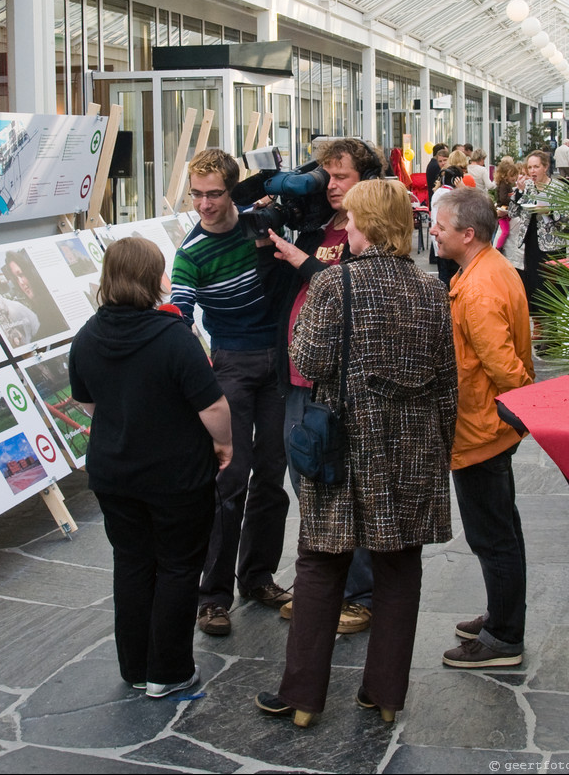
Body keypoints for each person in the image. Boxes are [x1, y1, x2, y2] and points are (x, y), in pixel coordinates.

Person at [255, 179, 457, 727]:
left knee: (320, 564)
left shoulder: (332, 285)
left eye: (351, 219)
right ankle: (386, 695)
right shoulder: (432, 289)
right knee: (399, 567)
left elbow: (311, 361)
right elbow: (446, 382)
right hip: (414, 450)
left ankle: (301, 697)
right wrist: (443, 448)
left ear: (363, 225)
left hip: (342, 446)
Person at [68, 235, 232, 698]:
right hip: (174, 474)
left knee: (133, 564)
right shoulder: (172, 336)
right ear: (150, 278)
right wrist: (224, 445)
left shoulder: (88, 334)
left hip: (113, 472)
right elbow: (213, 405)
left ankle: (136, 667)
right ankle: (169, 670)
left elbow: (85, 400)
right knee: (179, 566)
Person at [266, 137, 387, 635]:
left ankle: (359, 594)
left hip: (338, 378)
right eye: (326, 176)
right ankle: (322, 585)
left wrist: (303, 261)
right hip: (298, 373)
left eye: (341, 176)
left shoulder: (372, 231)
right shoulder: (318, 224)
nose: (331, 185)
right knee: (307, 483)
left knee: (342, 484)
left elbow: (357, 290)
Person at [169, 148, 293, 637]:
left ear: (232, 190)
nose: (204, 204)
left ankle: (257, 576)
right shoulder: (191, 253)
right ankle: (213, 595)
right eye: (197, 195)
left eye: (214, 193)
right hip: (232, 366)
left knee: (273, 473)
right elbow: (180, 314)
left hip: (280, 360)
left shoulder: (260, 226)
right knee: (229, 477)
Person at [431, 186, 534, 668]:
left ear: (467, 234)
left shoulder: (476, 287)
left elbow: (503, 365)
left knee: (493, 536)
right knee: (501, 531)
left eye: (441, 226)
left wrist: (520, 410)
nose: (432, 231)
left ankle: (503, 638)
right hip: (489, 425)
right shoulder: (489, 267)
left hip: (481, 429)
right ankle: (502, 614)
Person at [504, 150, 568, 315]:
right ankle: (539, 324)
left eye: (536, 167)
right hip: (531, 243)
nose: (532, 171)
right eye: (530, 167)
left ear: (545, 167)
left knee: (551, 285)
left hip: (552, 245)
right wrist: (518, 192)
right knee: (532, 284)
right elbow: (512, 213)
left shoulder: (558, 188)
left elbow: (567, 221)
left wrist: (548, 211)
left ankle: (553, 325)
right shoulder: (527, 186)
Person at [3, 249, 69, 339]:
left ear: (28, 272)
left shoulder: (50, 302)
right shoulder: (36, 307)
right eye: (16, 279)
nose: (21, 282)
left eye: (21, 274)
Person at [492, 158, 518, 250]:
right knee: (505, 231)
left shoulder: (506, 185)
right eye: (512, 176)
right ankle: (498, 248)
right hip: (503, 211)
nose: (514, 178)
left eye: (515, 175)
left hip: (505, 210)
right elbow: (503, 198)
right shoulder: (504, 185)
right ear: (505, 175)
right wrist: (512, 199)